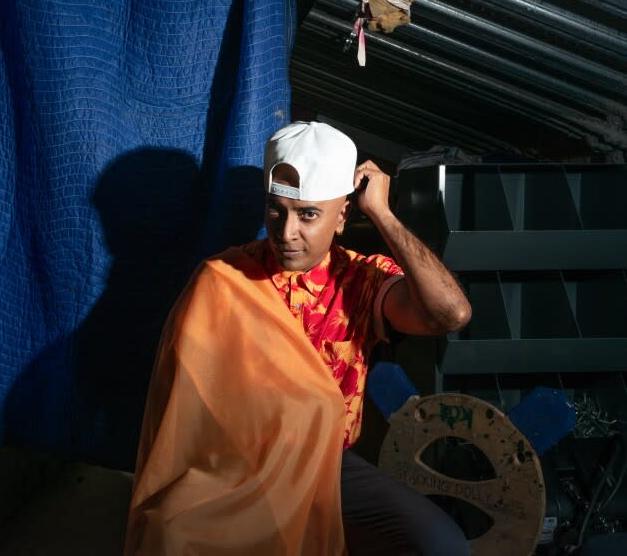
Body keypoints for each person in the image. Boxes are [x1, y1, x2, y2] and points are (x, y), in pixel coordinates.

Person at [124, 122, 472, 555]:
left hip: (328, 469)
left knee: (441, 545)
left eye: (308, 214)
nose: (286, 232)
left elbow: (449, 314)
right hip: (231, 466)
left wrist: (382, 213)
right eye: (276, 210)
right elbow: (186, 414)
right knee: (169, 535)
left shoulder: (360, 281)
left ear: (342, 215)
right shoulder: (223, 280)